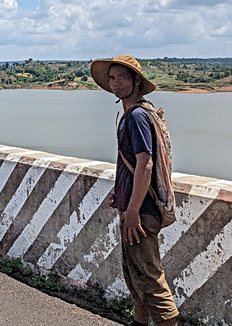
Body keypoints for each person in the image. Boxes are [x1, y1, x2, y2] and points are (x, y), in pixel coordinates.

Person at [90, 55, 179, 326]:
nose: (116, 83)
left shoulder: (138, 116)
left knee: (150, 280)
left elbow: (145, 164)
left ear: (136, 82)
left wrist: (133, 210)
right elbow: (130, 164)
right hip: (134, 206)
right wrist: (121, 192)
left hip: (141, 212)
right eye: (112, 78)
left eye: (123, 78)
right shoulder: (132, 114)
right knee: (134, 276)